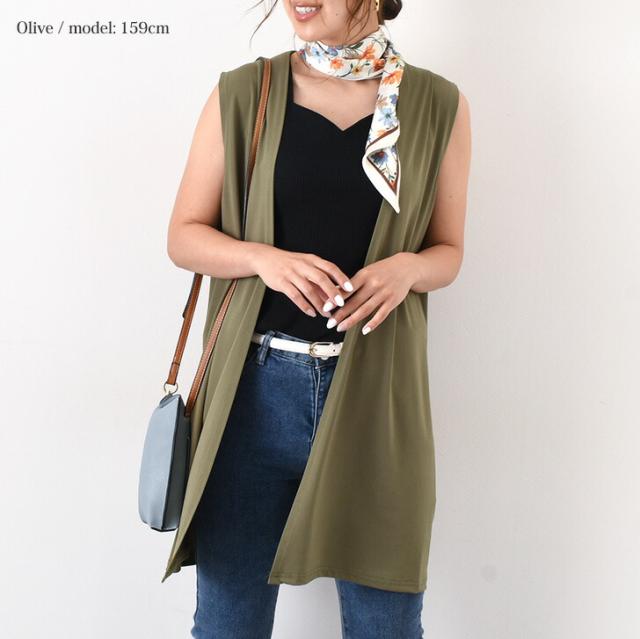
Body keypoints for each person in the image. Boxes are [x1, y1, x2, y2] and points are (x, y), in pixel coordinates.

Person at [166, 1, 471, 637]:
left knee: (386, 625)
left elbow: (448, 251)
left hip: (377, 399)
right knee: (227, 625)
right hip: (250, 398)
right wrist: (263, 259)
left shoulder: (437, 106)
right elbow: (184, 236)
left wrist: (408, 268)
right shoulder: (245, 93)